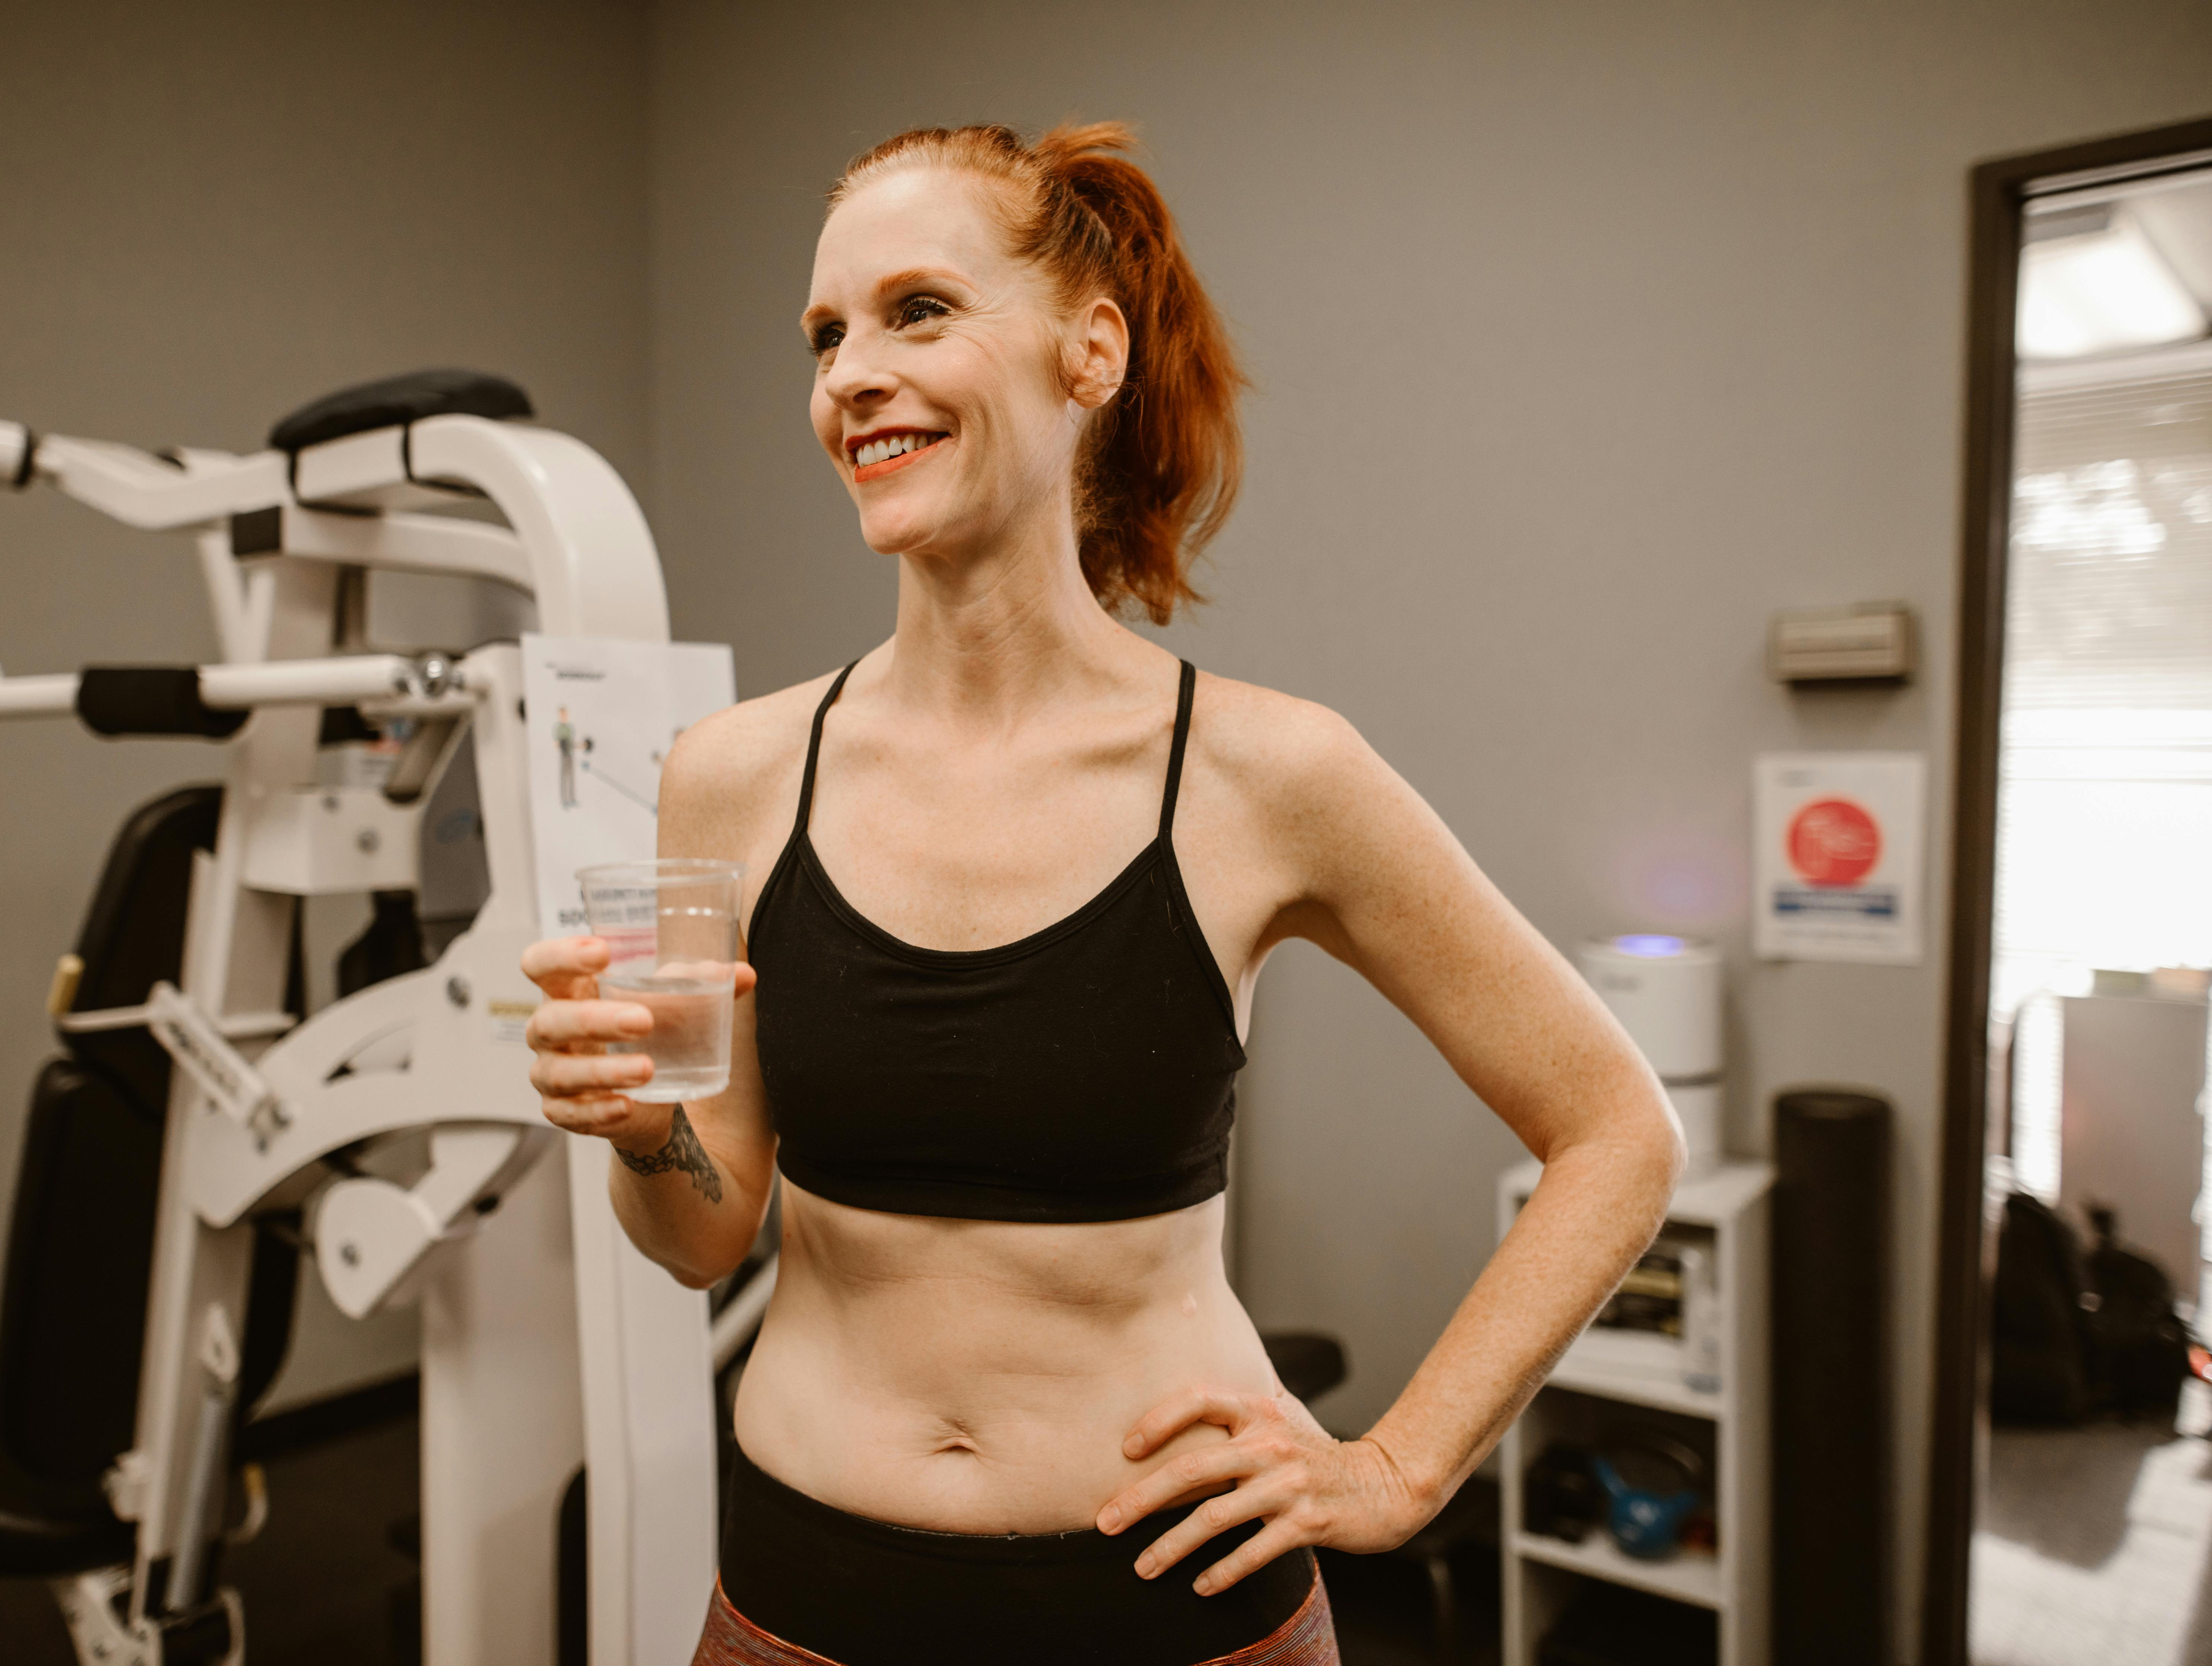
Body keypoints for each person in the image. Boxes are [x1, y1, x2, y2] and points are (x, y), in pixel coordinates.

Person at [522, 121, 1683, 1666]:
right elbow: (698, 1235)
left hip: (1168, 1612)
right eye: (825, 334)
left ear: (1090, 352)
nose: (849, 373)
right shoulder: (729, 775)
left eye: (918, 309)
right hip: (802, 1604)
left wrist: (1397, 1468)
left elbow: (1617, 1126)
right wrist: (639, 1124)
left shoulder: (1270, 774)